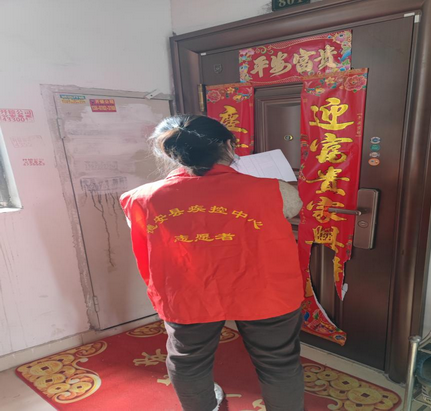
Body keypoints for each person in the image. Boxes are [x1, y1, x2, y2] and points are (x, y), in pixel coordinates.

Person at [120, 114, 305, 411]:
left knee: (188, 360)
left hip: (187, 292)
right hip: (264, 289)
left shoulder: (140, 199)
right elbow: (291, 209)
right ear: (229, 145)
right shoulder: (275, 190)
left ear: (171, 153)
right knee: (279, 362)